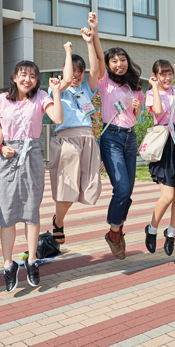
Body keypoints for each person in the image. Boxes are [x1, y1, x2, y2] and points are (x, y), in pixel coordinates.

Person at [0, 60, 64, 292]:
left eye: (32, 75)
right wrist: (0, 146)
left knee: (32, 211)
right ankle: (8, 264)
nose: (27, 79)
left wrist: (57, 92)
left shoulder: (41, 97)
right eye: (23, 74)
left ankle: (32, 260)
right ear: (14, 77)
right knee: (7, 213)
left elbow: (58, 119)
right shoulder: (1, 99)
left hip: (32, 155)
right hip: (8, 157)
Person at [90, 19, 145, 259]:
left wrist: (135, 109)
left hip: (129, 138)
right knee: (121, 187)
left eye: (122, 60)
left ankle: (118, 229)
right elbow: (98, 62)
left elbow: (136, 116)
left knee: (128, 190)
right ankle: (114, 232)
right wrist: (93, 33)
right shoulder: (104, 82)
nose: (119, 64)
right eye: (114, 61)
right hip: (111, 138)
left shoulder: (135, 86)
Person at [48, 30, 102, 248]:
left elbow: (96, 69)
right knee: (67, 190)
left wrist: (89, 43)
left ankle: (57, 219)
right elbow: (67, 78)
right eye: (74, 70)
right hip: (67, 141)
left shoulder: (86, 90)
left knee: (88, 188)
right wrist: (68, 52)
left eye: (81, 71)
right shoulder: (56, 89)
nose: (77, 75)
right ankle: (58, 223)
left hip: (88, 140)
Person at [144, 60, 175, 256]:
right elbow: (157, 111)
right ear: (155, 76)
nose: (167, 77)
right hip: (164, 142)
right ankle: (152, 228)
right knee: (168, 196)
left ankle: (171, 233)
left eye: (169, 73)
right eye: (163, 74)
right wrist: (155, 87)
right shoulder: (150, 94)